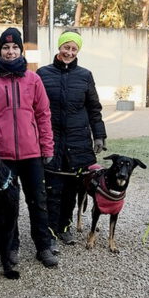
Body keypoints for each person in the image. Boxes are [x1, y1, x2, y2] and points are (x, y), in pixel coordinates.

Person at [0, 27, 58, 267]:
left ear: (21, 51)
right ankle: (11, 247)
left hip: (32, 154)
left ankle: (43, 246)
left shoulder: (33, 79)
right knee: (7, 204)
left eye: (14, 48)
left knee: (37, 201)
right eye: (5, 48)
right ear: (0, 51)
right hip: (2, 155)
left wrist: (47, 147)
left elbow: (43, 115)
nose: (10, 52)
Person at [38, 30, 106, 245]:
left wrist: (99, 135)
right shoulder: (42, 73)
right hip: (52, 139)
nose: (69, 52)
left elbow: (94, 108)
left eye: (73, 49)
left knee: (71, 189)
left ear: (78, 51)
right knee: (51, 188)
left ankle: (64, 226)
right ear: (59, 47)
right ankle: (49, 229)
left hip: (78, 141)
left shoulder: (85, 75)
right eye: (66, 47)